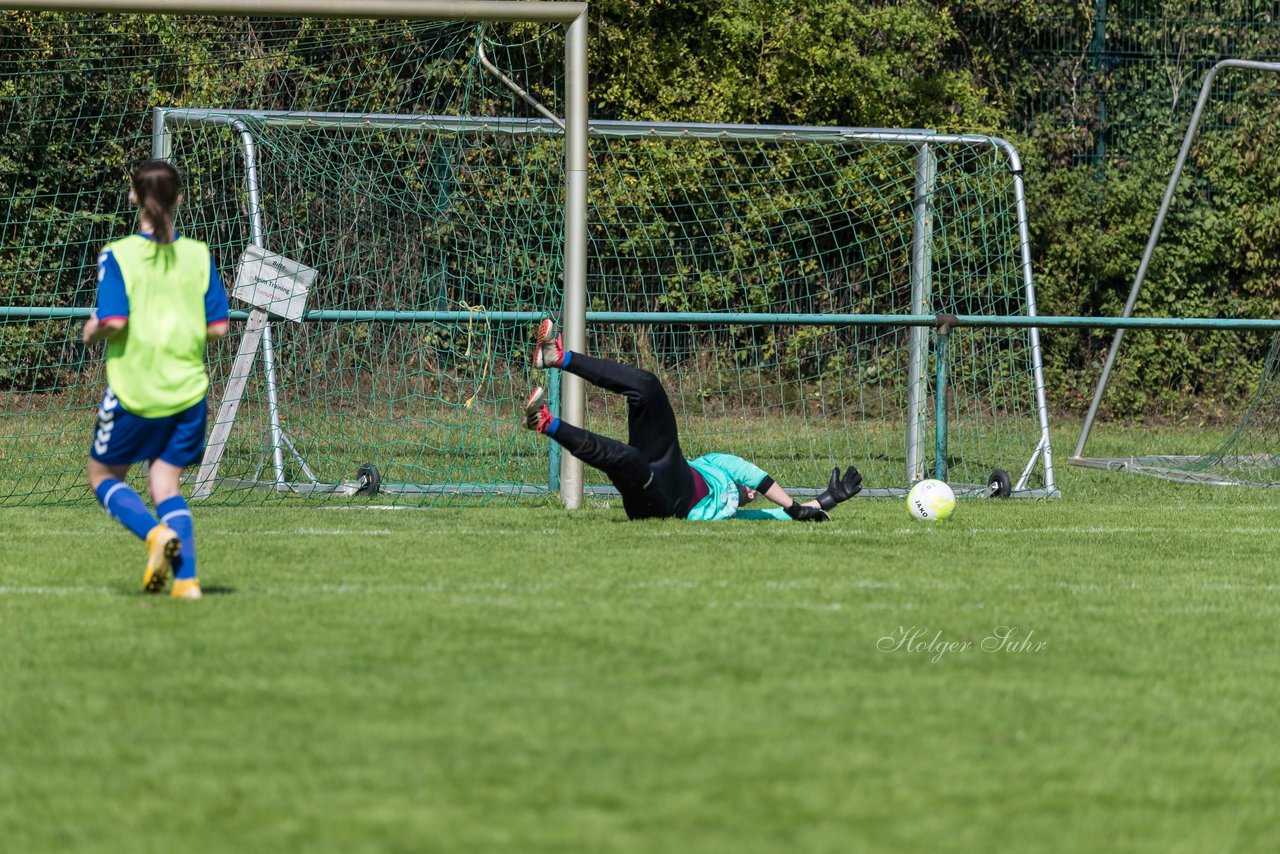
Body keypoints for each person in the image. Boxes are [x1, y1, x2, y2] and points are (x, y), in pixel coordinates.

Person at [522, 318, 862, 521]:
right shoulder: (719, 465)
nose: (752, 495)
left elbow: (784, 516)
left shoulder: (732, 512)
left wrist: (824, 502)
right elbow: (758, 479)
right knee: (647, 386)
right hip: (674, 465)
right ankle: (558, 357)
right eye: (750, 493)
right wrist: (791, 504)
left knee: (628, 459)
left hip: (665, 503)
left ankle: (545, 422)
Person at [83, 159, 230, 599]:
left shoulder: (120, 253)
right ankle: (186, 582)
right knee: (166, 485)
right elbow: (219, 327)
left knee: (102, 476)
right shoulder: (198, 255)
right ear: (179, 199)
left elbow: (113, 319)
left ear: (134, 197)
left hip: (136, 392)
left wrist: (92, 330)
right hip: (188, 394)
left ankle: (153, 535)